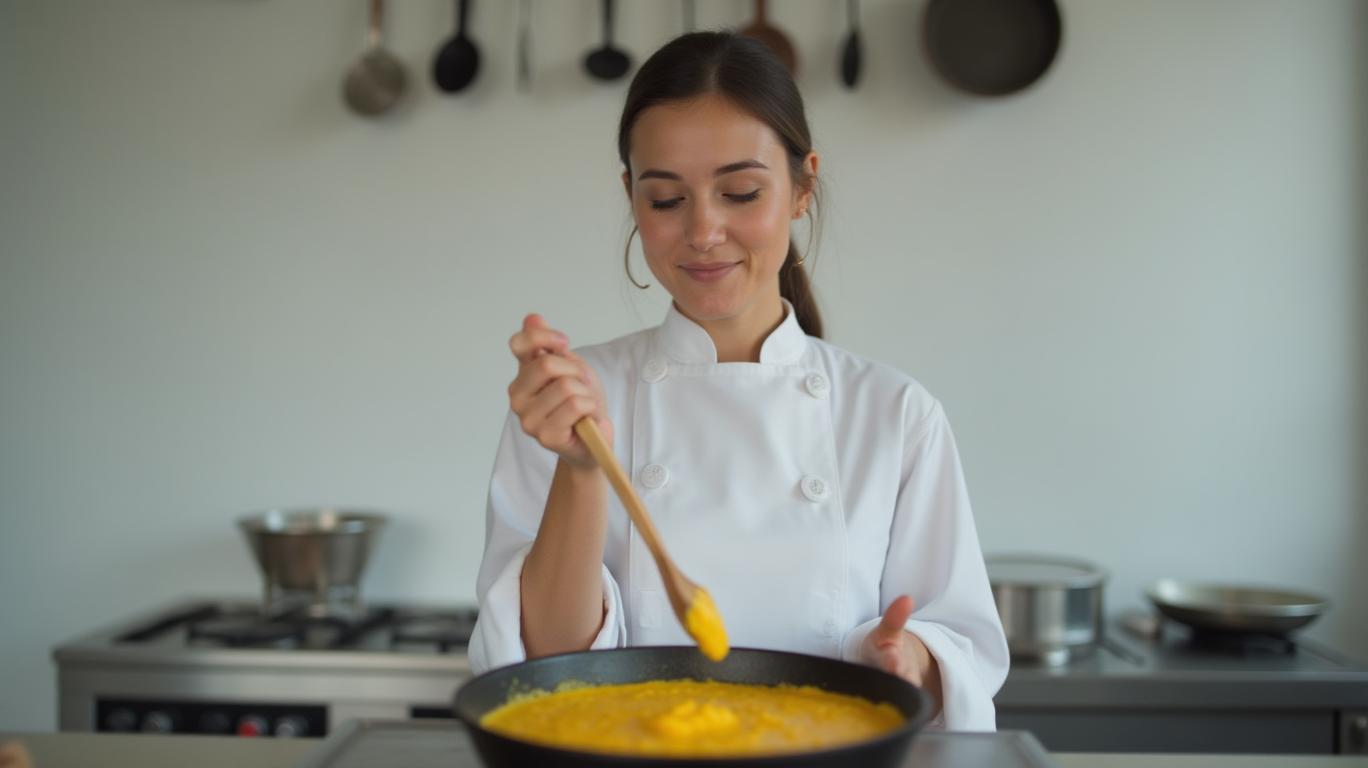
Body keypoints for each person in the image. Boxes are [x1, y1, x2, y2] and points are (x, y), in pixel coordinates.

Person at [469, 31, 1008, 731]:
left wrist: (910, 659)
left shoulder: (895, 413)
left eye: (741, 192)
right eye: (667, 200)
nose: (703, 231)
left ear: (803, 187)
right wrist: (581, 469)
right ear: (631, 196)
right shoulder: (569, 400)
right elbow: (546, 667)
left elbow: (961, 648)